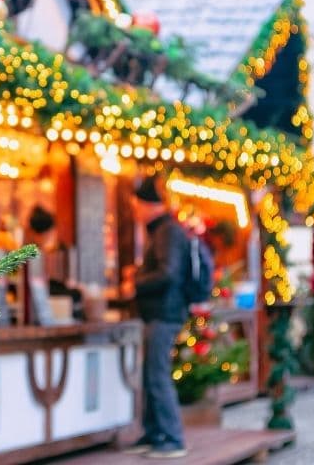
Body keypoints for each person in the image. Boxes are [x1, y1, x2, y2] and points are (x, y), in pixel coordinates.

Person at [125, 176, 190, 459]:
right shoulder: (162, 232)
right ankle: (153, 433)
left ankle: (172, 437)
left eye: (137, 205)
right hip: (159, 313)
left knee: (157, 374)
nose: (135, 211)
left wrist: (136, 283)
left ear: (149, 205)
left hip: (165, 313)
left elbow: (168, 273)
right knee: (151, 374)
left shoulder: (167, 232)